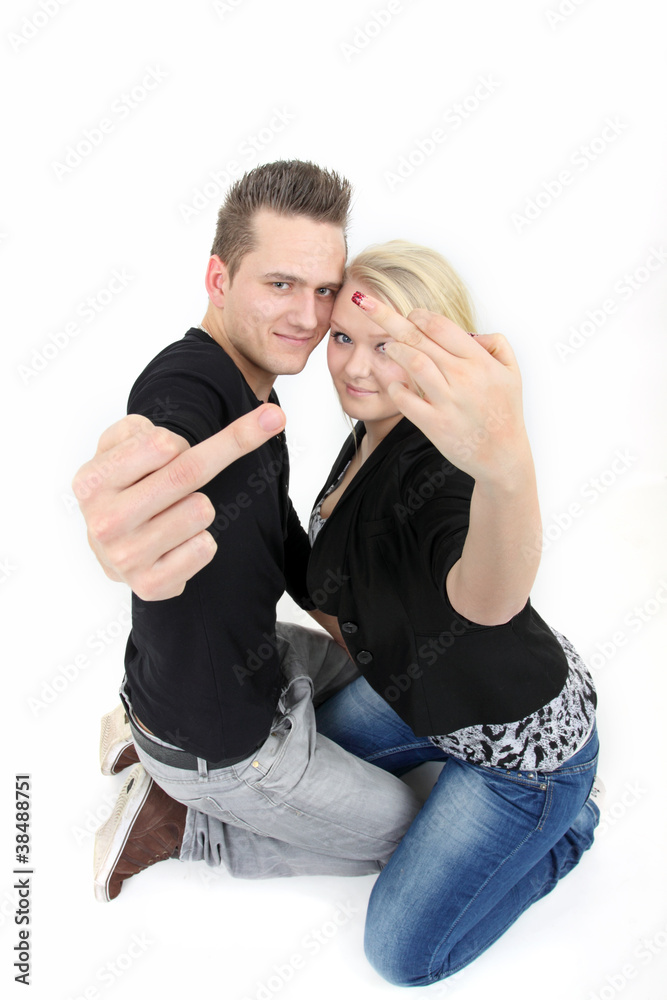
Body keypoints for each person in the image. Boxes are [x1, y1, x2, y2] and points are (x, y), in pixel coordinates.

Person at [73, 161, 421, 903]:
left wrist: (343, 615)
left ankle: (138, 735)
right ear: (219, 280)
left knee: (400, 671)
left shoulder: (256, 394)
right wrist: (127, 501)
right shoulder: (192, 385)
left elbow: (279, 533)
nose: (308, 315)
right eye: (281, 284)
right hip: (222, 743)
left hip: (234, 664)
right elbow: (161, 436)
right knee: (414, 838)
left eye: (323, 290)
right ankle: (178, 820)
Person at [306, 239, 601, 986]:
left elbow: (487, 599)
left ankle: (568, 830)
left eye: (386, 346)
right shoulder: (370, 434)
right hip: (421, 694)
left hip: (520, 759)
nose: (355, 367)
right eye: (342, 337)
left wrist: (507, 471)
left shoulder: (439, 466)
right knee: (306, 759)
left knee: (400, 955)